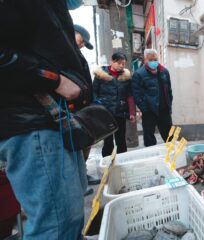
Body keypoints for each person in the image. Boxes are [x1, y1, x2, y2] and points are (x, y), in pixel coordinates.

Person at [0, 1, 91, 239]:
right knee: (56, 225)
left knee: (70, 220)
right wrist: (54, 80)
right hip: (32, 119)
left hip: (55, 119)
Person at [93, 52, 135, 157]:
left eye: (124, 64)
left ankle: (122, 162)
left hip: (120, 112)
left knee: (121, 140)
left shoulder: (126, 76)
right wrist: (98, 106)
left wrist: (132, 112)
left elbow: (130, 95)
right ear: (112, 61)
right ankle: (107, 164)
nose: (122, 66)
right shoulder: (101, 74)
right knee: (108, 141)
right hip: (105, 113)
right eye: (119, 63)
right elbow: (94, 92)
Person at [73, 24, 100, 192]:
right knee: (76, 145)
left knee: (85, 144)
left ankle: (82, 176)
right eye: (82, 41)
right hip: (73, 109)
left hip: (83, 108)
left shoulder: (76, 54)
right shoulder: (62, 52)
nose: (82, 45)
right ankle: (78, 182)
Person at [132, 49, 173, 146]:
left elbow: (169, 91)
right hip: (149, 112)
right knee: (149, 138)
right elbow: (136, 94)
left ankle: (172, 157)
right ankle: (152, 159)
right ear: (145, 60)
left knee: (170, 137)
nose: (153, 62)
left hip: (164, 111)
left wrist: (169, 105)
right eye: (150, 59)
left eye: (155, 59)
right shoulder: (139, 74)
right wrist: (145, 109)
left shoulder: (164, 72)